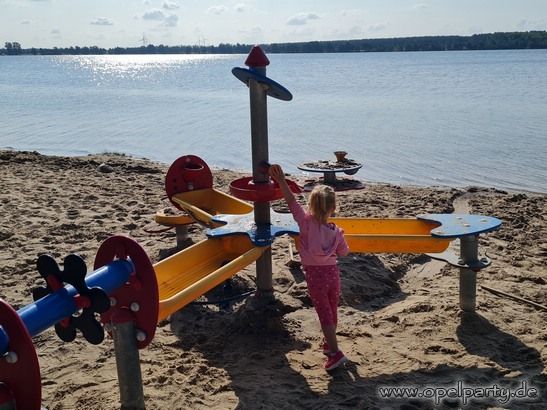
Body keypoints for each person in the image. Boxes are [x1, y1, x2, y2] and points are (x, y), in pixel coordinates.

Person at [269, 164, 350, 371]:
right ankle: (329, 344)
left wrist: (281, 181)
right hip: (333, 274)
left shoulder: (305, 223)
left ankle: (336, 353)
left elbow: (291, 201)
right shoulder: (337, 231)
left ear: (311, 206)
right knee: (331, 309)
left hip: (315, 276)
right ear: (333, 208)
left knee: (324, 313)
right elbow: (344, 253)